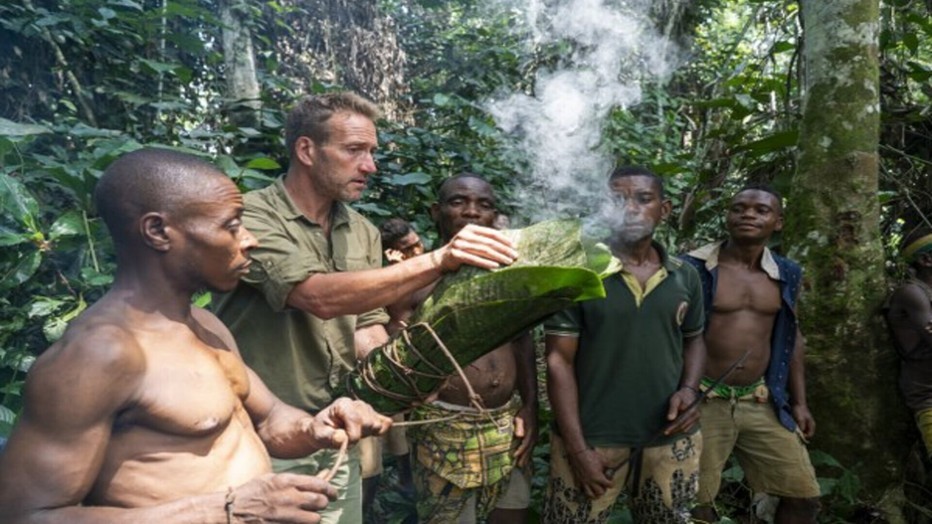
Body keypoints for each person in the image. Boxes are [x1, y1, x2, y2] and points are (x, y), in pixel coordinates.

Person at [0, 148, 392, 523]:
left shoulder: (205, 325)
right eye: (231, 225)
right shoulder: (99, 356)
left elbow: (269, 421)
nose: (249, 240)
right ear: (157, 231)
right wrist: (226, 512)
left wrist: (316, 427)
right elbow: (24, 516)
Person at [213, 92, 518, 523]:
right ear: (306, 150)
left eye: (372, 152)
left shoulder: (361, 230)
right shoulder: (251, 217)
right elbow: (316, 296)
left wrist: (407, 375)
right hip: (261, 433)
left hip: (338, 429)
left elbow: (365, 327)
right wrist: (439, 258)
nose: (370, 165)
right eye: (355, 150)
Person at [543, 165, 705, 523]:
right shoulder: (579, 272)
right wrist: (578, 449)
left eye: (643, 199)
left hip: (669, 438)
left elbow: (694, 339)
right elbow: (558, 362)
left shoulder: (685, 274)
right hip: (594, 440)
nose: (630, 208)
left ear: (664, 209)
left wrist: (691, 389)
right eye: (618, 200)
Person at [389, 173, 538, 524]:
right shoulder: (413, 279)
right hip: (442, 432)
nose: (472, 212)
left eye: (484, 205)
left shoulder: (509, 275)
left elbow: (523, 342)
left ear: (494, 216)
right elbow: (394, 353)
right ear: (435, 211)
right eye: (459, 202)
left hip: (505, 428)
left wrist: (530, 408)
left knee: (512, 512)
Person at [681, 185, 820, 523]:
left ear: (779, 222)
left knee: (803, 496)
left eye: (761, 210)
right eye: (739, 208)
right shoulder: (692, 268)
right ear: (727, 216)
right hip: (703, 400)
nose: (748, 215)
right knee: (696, 506)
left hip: (760, 398)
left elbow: (792, 336)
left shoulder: (787, 273)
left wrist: (799, 402)